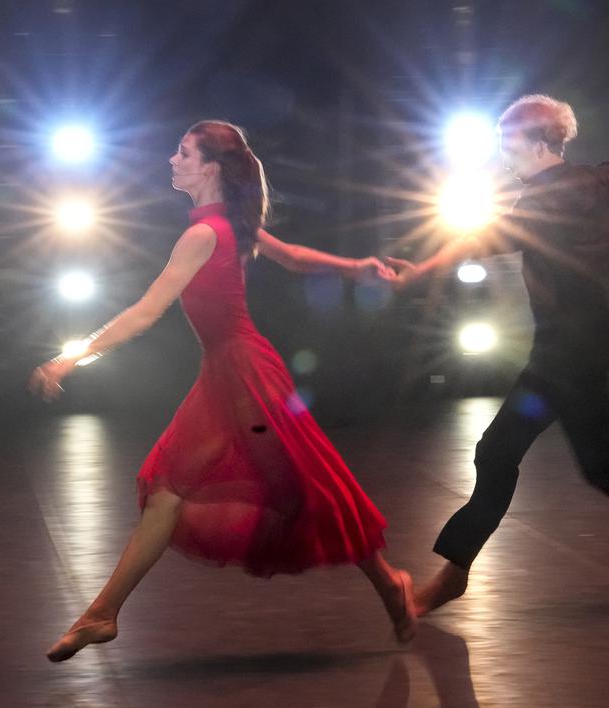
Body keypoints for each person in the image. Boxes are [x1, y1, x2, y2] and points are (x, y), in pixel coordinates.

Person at [30, 120, 416, 662]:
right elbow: (295, 258)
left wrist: (71, 358)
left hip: (246, 375)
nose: (171, 160)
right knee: (172, 491)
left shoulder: (205, 234)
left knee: (302, 487)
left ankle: (389, 581)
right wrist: (355, 266)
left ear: (209, 167)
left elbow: (146, 312)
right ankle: (102, 614)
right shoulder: (227, 225)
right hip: (227, 371)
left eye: (183, 153)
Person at [385, 95, 609, 615]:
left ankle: (450, 579)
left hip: (566, 351)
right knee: (600, 462)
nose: (505, 153)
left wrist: (417, 273)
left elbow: (479, 239)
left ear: (540, 142)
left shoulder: (545, 199)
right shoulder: (587, 180)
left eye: (511, 142)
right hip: (574, 346)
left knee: (505, 453)